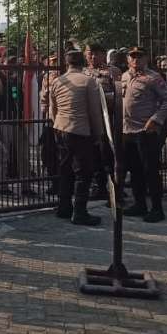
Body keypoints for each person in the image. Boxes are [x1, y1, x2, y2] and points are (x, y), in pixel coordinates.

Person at [43, 50, 105, 225]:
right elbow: (94, 112)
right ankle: (79, 212)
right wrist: (98, 134)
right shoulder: (89, 81)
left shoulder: (58, 81)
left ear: (66, 62)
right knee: (83, 173)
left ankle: (64, 207)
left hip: (61, 129)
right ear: (83, 61)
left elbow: (52, 109)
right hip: (81, 131)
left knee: (65, 170)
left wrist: (58, 125)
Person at [120, 47, 167, 223]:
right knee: (134, 170)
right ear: (128, 59)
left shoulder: (153, 78)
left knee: (150, 170)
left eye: (139, 56)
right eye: (132, 56)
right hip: (127, 130)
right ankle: (140, 204)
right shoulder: (125, 76)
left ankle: (157, 209)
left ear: (146, 58)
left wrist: (156, 119)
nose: (136, 60)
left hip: (146, 131)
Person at [0, 54, 30, 196]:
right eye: (8, 64)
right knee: (3, 157)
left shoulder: (14, 81)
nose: (10, 67)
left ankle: (26, 186)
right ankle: (2, 186)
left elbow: (20, 101)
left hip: (17, 121)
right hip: (3, 122)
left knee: (23, 156)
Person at [85, 43, 121, 201]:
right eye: (90, 53)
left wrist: (104, 99)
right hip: (88, 120)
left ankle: (114, 188)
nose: (93, 57)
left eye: (96, 53)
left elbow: (119, 95)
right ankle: (97, 186)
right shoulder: (82, 72)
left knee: (108, 154)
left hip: (108, 119)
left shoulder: (112, 72)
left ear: (102, 54)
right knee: (91, 154)